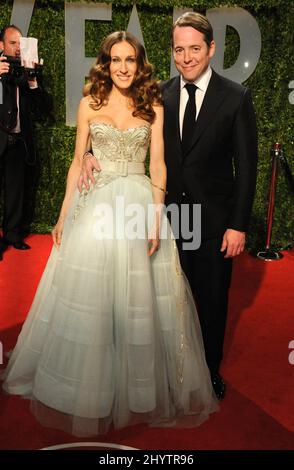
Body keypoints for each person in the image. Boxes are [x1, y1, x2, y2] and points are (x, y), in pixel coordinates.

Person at [2, 31, 218, 437]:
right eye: (115, 59)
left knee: (140, 300)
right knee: (93, 299)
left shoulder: (153, 105)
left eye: (130, 60)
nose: (122, 67)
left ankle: (137, 391)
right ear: (106, 63)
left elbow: (158, 166)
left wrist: (157, 216)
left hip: (138, 205)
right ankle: (90, 388)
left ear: (140, 64)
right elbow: (75, 162)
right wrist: (64, 215)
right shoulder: (89, 104)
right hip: (97, 206)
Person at [80, 13, 258, 401]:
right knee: (164, 300)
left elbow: (246, 167)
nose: (187, 57)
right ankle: (166, 372)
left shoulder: (235, 97)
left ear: (211, 49)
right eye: (180, 49)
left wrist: (238, 225)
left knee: (210, 302)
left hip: (211, 222)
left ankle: (207, 372)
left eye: (195, 49)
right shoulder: (158, 94)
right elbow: (120, 122)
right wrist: (90, 153)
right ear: (172, 52)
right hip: (164, 217)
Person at [0, 25, 53, 260]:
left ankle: (12, 235)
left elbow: (43, 107)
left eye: (21, 44)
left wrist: (32, 81)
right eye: (13, 43)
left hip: (19, 142)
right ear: (1, 46)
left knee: (15, 192)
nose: (18, 49)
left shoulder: (26, 72)